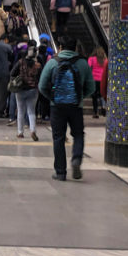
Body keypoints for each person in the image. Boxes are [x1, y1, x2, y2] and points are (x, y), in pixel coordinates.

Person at [39, 34, 94, 181]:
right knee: (78, 134)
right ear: (75, 48)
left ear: (61, 47)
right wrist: (80, 96)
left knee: (58, 138)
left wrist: (53, 97)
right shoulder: (83, 63)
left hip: (57, 106)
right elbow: (91, 87)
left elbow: (42, 86)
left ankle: (60, 172)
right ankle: (76, 159)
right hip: (76, 106)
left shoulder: (53, 63)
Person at [9, 46, 41, 140]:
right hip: (33, 90)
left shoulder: (20, 62)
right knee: (31, 112)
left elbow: (12, 73)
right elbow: (40, 77)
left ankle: (20, 132)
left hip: (20, 89)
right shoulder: (37, 65)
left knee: (20, 111)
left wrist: (15, 80)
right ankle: (32, 130)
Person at [87, 46, 107, 118]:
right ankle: (104, 107)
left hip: (94, 79)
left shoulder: (91, 59)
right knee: (102, 94)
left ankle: (96, 112)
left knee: (94, 97)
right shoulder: (105, 60)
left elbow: (88, 67)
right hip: (102, 80)